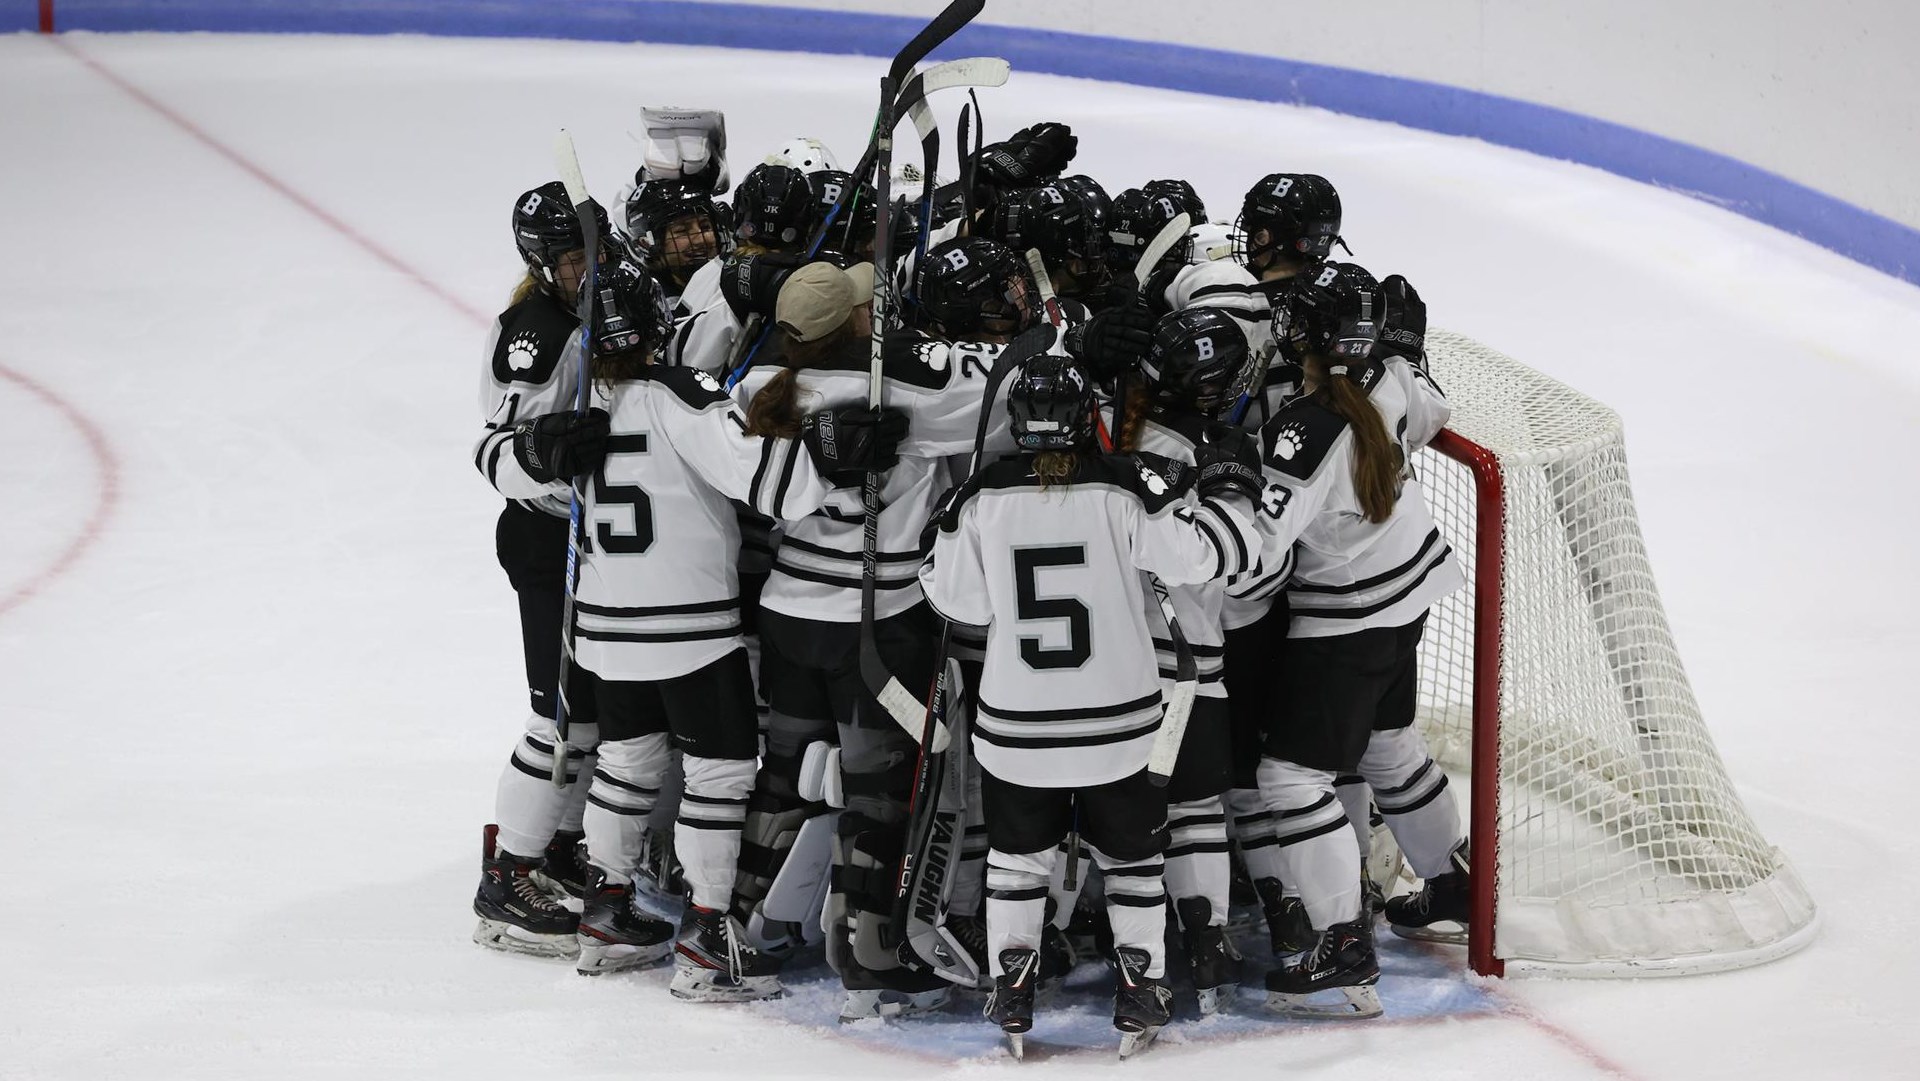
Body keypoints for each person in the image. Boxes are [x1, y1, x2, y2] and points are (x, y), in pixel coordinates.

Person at [512, 257, 907, 994]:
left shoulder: (571, 402)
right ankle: (708, 935)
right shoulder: (682, 395)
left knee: (626, 769)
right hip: (690, 631)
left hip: (603, 626)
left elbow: (517, 466)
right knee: (719, 778)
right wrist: (827, 450)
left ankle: (606, 912)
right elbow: (772, 486)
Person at [920, 354, 1265, 1056]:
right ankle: (1141, 986)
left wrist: (942, 534)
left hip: (1016, 726)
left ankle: (1011, 985)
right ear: (1084, 421)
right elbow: (1203, 560)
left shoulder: (980, 496)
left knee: (1017, 863)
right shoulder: (1126, 487)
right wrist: (1226, 494)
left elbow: (960, 603)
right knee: (1134, 861)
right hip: (1120, 725)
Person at [731, 259, 1011, 1020]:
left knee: (782, 773)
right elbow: (1008, 405)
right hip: (877, 626)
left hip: (788, 614)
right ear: (854, 321)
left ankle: (740, 929)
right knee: (879, 793)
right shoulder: (906, 392)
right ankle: (870, 953)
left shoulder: (759, 386)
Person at [1241, 262, 1468, 1019]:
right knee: (1386, 744)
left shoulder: (1304, 429)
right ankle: (1452, 879)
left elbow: (1261, 552)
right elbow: (1433, 406)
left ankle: (1342, 938)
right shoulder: (1393, 374)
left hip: (1346, 618)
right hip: (1409, 592)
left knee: (1288, 779)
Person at [467, 181, 615, 959]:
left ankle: (558, 844)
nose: (585, 267)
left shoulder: (595, 311)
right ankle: (508, 875)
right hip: (543, 541)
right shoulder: (536, 330)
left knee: (585, 710)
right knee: (556, 715)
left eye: (592, 251)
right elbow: (495, 453)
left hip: (590, 543)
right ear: (541, 261)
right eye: (569, 257)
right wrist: (545, 449)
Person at [1107, 307, 1262, 1014]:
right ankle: (1207, 939)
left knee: (1123, 813)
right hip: (1190, 657)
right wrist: (1236, 493)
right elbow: (1245, 566)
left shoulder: (1109, 419)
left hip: (1115, 658)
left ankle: (1105, 947)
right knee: (1196, 804)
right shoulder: (1204, 452)